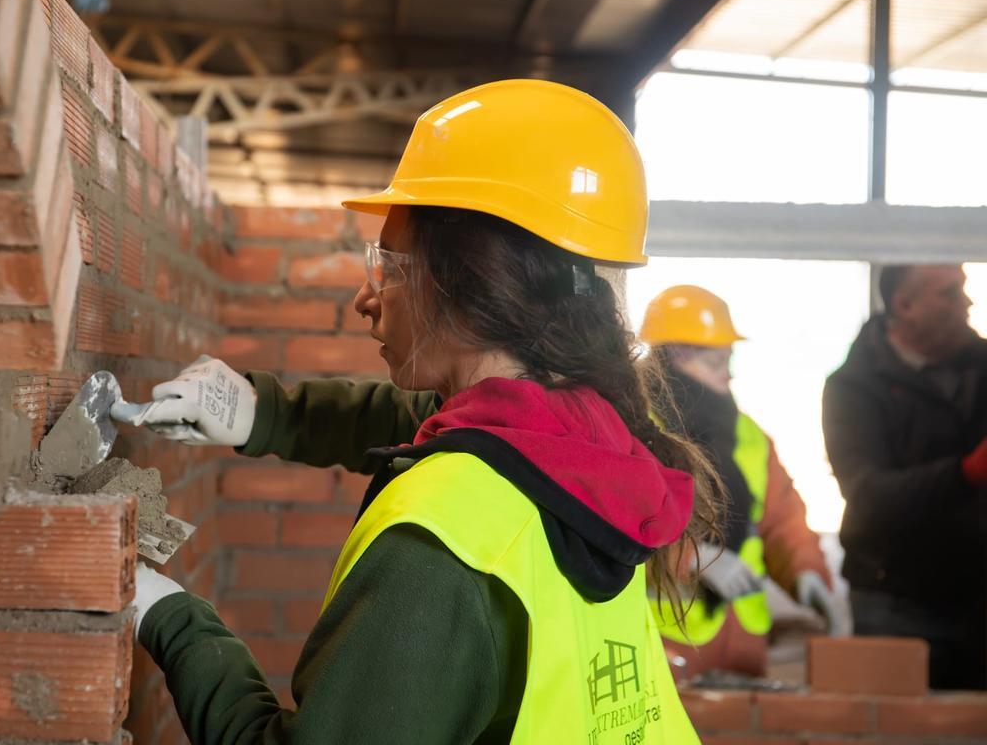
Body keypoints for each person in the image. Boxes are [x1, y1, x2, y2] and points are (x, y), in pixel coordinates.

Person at [127, 79, 721, 744]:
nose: (366, 297)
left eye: (388, 264)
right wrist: (266, 413)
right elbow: (450, 430)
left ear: (469, 281)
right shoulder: (598, 443)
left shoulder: (440, 547)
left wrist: (172, 618)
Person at [640, 286, 843, 681]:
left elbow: (783, 520)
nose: (728, 373)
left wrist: (807, 573)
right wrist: (691, 558)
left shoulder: (749, 436)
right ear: (677, 356)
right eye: (717, 362)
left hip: (743, 635)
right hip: (667, 635)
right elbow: (614, 524)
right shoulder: (633, 430)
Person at [823, 264, 987, 690]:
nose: (966, 302)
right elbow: (869, 496)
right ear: (904, 305)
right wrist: (967, 472)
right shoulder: (852, 389)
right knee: (895, 727)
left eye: (964, 289)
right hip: (892, 602)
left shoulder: (981, 368)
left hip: (976, 601)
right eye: (950, 293)